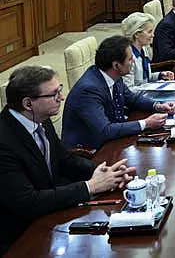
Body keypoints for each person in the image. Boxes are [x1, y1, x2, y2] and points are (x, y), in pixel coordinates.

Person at [0, 66, 136, 254]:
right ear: (28, 103)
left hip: (49, 214)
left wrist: (104, 172)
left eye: (60, 90)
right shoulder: (4, 142)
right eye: (54, 94)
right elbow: (28, 203)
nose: (62, 98)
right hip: (19, 236)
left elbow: (64, 160)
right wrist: (92, 186)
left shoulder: (39, 118)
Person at [62, 35, 175, 150]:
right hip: (91, 152)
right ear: (116, 65)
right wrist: (145, 123)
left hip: (113, 140)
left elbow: (132, 99)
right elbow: (105, 130)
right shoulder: (89, 90)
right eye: (130, 59)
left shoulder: (113, 75)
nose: (133, 63)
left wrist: (158, 106)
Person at [121, 12, 174, 89]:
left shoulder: (143, 49)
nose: (153, 35)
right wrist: (151, 88)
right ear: (137, 34)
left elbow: (145, 79)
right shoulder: (127, 57)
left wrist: (160, 75)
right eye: (149, 32)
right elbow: (129, 90)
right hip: (136, 99)